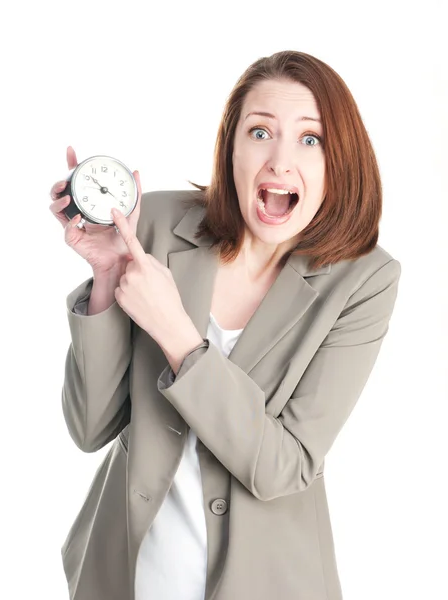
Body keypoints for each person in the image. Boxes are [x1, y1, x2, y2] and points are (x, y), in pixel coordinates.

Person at [50, 50, 402, 600]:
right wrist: (105, 276)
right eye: (260, 132)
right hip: (130, 577)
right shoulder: (159, 223)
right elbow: (90, 428)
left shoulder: (364, 281)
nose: (280, 162)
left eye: (311, 140)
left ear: (340, 162)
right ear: (231, 148)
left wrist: (180, 338)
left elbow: (285, 466)